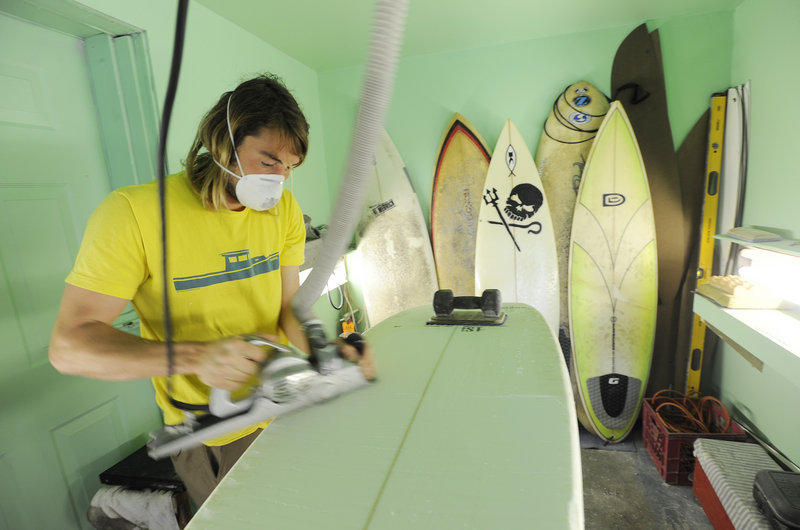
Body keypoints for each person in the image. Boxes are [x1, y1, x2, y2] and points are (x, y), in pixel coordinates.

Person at [49, 73, 376, 506]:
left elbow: (288, 310)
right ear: (223, 143)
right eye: (268, 161)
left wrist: (324, 354)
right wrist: (197, 357)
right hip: (212, 430)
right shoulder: (133, 213)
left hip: (280, 405)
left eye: (289, 168)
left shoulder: (285, 211)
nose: (279, 180)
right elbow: (69, 346)